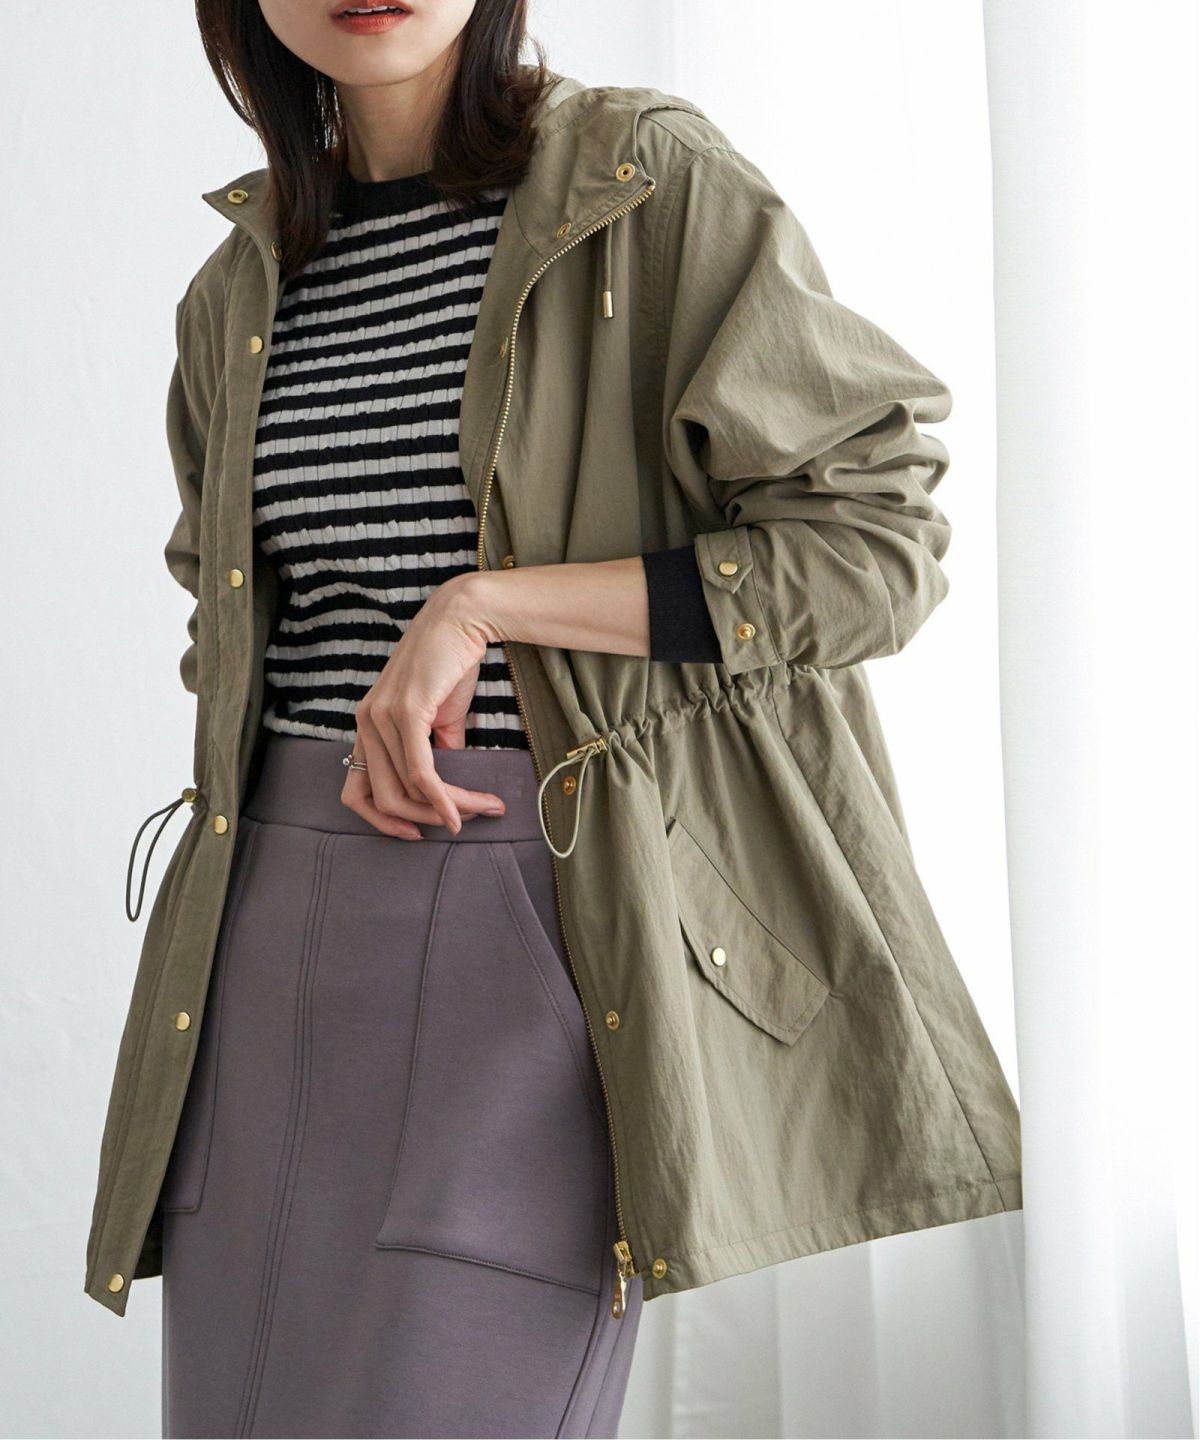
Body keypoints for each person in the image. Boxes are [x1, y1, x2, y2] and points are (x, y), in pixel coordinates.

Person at [86, 0, 1025, 1435]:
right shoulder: (242, 281)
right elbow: (227, 619)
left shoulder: (641, 182)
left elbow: (871, 545)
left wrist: (485, 607)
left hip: (529, 921)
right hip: (261, 937)